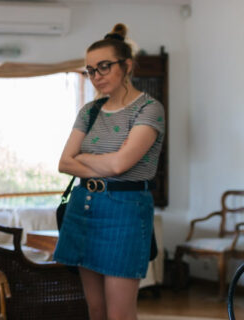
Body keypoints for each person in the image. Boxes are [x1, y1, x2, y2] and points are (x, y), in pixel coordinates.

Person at [55, 23, 164, 320]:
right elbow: (64, 163)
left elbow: (120, 165)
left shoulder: (149, 109)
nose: (96, 77)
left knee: (119, 314)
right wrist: (106, 160)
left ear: (126, 65)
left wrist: (86, 157)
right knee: (95, 310)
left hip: (126, 212)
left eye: (104, 67)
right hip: (83, 206)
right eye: (91, 70)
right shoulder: (89, 111)